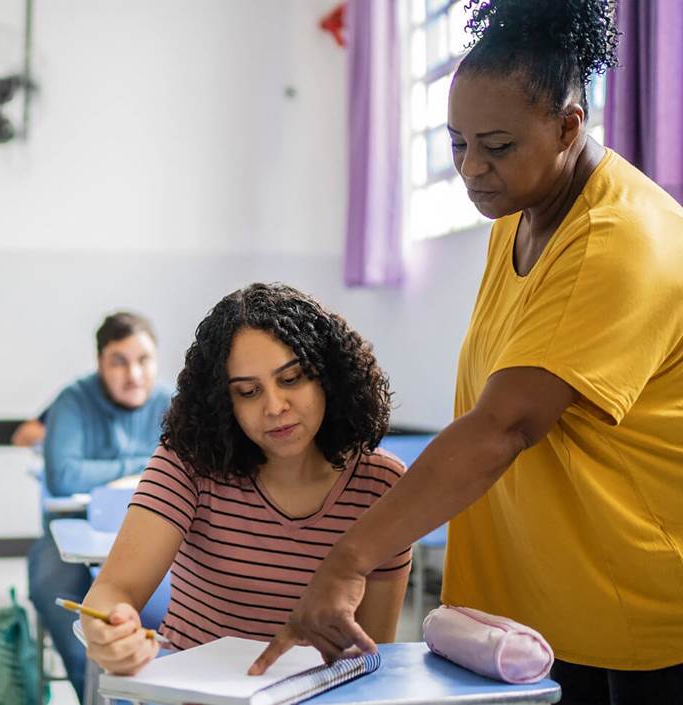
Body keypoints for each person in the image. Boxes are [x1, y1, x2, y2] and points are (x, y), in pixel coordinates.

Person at [250, 2, 683, 703]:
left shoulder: (617, 240)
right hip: (549, 604)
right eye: (456, 144)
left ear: (570, 126)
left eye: (498, 145)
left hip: (640, 609)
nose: (471, 169)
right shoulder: (518, 216)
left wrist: (351, 556)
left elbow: (504, 425)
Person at [81, 283, 409, 677]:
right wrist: (107, 628)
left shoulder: (381, 485)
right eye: (248, 392)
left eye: (291, 379)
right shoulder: (188, 463)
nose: (274, 407)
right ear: (223, 402)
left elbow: (374, 656)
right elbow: (113, 591)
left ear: (329, 376)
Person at [27, 311, 172, 703]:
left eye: (144, 360)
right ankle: (96, 694)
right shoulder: (73, 399)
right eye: (119, 361)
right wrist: (147, 462)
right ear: (100, 364)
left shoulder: (172, 402)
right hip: (67, 535)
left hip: (157, 538)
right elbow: (64, 475)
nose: (134, 374)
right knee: (52, 590)